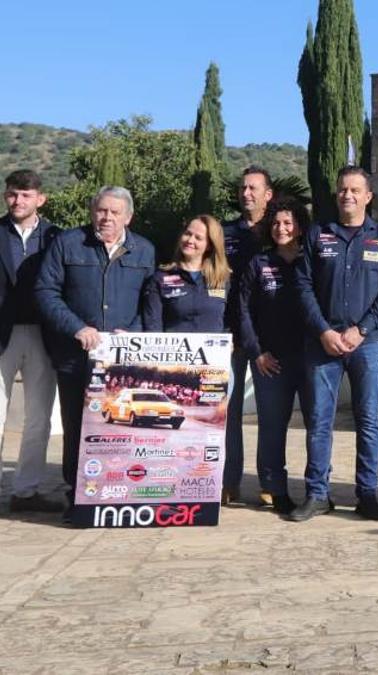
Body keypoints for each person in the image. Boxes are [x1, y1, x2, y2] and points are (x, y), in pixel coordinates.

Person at [35, 186, 156, 522]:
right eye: (101, 211)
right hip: (76, 357)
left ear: (128, 217)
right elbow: (46, 291)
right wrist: (77, 327)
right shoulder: (68, 244)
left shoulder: (144, 251)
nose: (107, 217)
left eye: (115, 212)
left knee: (122, 429)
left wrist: (132, 333)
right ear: (92, 212)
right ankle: (79, 498)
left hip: (123, 361)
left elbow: (151, 301)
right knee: (79, 429)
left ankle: (121, 496)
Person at [292, 166, 378, 522]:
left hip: (366, 344)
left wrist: (362, 330)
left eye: (355, 190)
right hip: (322, 342)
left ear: (368, 196)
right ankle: (317, 494)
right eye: (342, 190)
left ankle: (367, 494)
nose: (347, 196)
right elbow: (303, 286)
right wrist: (324, 331)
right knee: (320, 420)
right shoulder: (317, 234)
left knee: (368, 420)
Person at [236, 200, 312, 515]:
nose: (281, 229)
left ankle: (316, 490)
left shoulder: (313, 261)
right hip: (272, 361)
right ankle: (275, 489)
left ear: (300, 227)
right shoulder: (259, 263)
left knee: (317, 426)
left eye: (288, 222)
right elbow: (242, 311)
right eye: (276, 223)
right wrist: (257, 352)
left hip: (311, 360)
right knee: (271, 427)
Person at [0, 170, 62, 512]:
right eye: (12, 194)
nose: (17, 201)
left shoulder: (57, 237)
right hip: (2, 333)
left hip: (43, 333)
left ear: (41, 198)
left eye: (25, 195)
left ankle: (26, 491)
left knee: (39, 417)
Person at [222, 166, 275, 505]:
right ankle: (228, 481)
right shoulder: (223, 232)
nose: (247, 194)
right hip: (229, 337)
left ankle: (270, 482)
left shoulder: (281, 230)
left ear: (268, 194)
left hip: (268, 339)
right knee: (228, 413)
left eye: (254, 188)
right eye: (243, 188)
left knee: (270, 412)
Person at [141, 215, 231, 332]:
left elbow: (232, 319)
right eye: (188, 234)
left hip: (211, 349)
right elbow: (152, 327)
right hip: (173, 349)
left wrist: (228, 342)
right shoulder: (161, 278)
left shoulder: (223, 278)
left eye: (198, 238)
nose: (190, 240)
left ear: (209, 245)